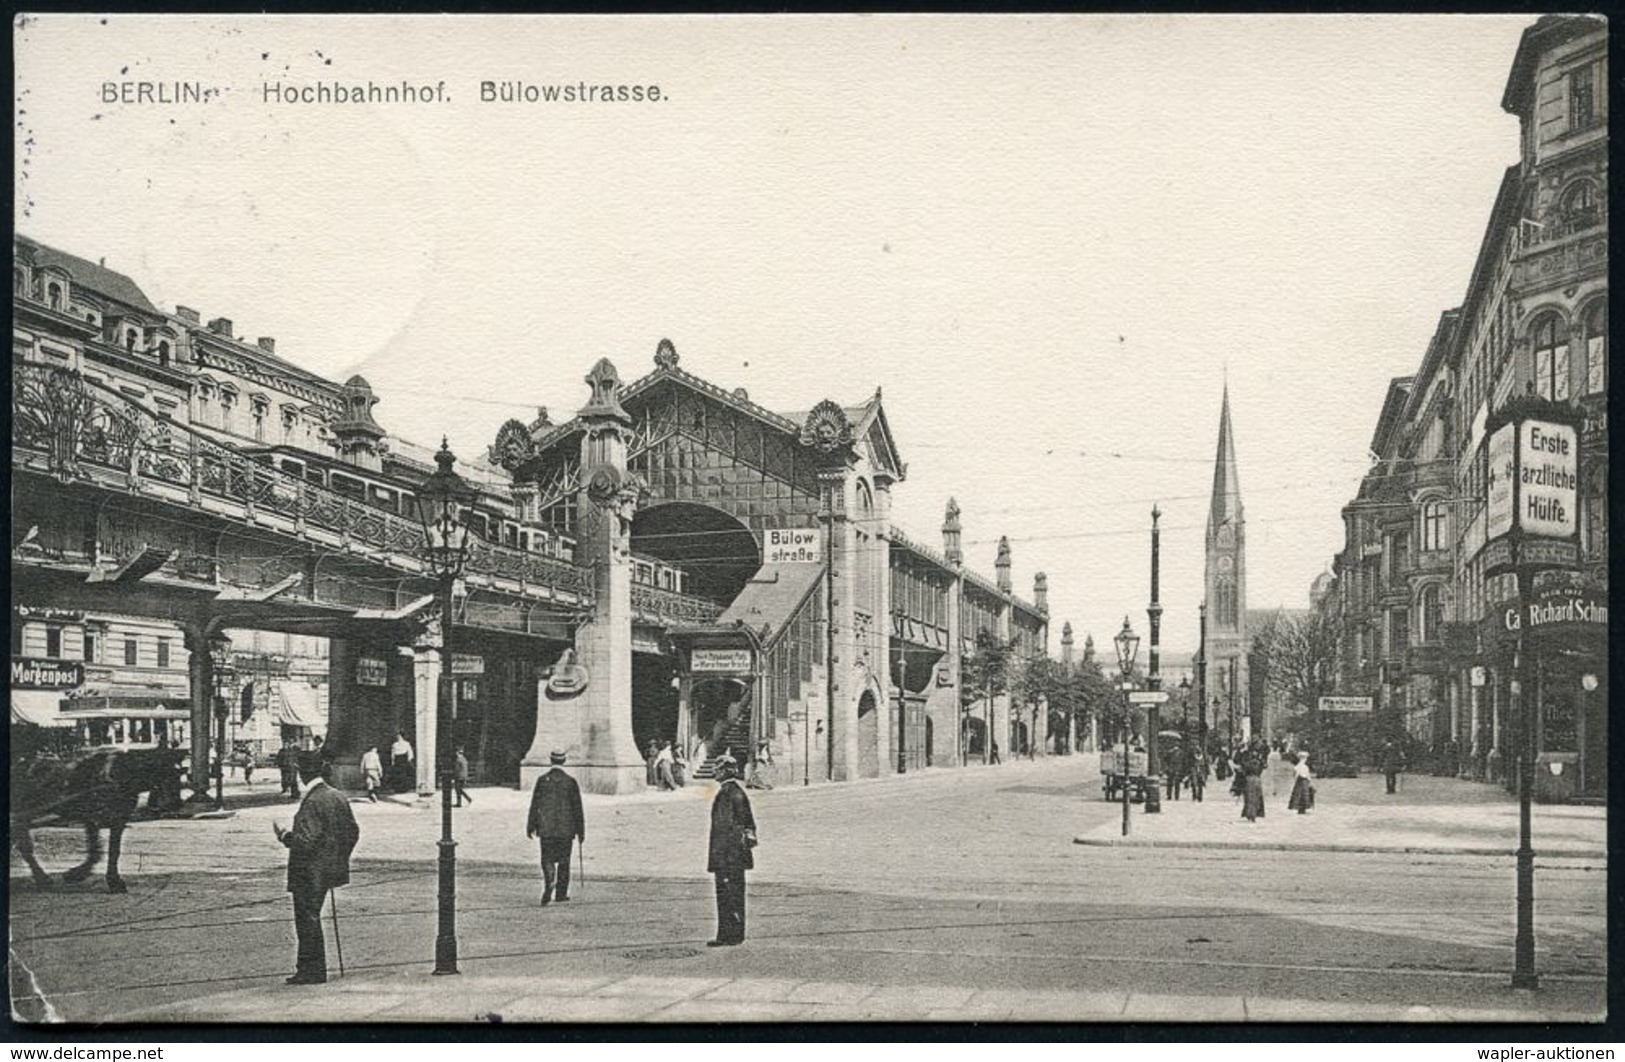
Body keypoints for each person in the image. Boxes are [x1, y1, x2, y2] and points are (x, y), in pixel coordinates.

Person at [274, 755, 360, 985]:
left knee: (307, 919)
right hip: (328, 869)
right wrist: (337, 857)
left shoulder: (313, 801)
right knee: (312, 916)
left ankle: (311, 970)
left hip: (308, 871)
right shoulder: (337, 796)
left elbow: (306, 841)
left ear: (301, 773)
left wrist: (285, 836)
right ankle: (311, 969)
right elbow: (352, 832)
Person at [707, 756, 757, 946]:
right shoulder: (738, 791)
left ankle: (727, 936)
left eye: (718, 769)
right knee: (736, 894)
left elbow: (722, 829)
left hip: (727, 856)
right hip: (738, 854)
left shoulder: (726, 794)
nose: (715, 772)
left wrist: (718, 859)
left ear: (725, 771)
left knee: (726, 895)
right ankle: (736, 934)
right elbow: (749, 823)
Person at [526, 748, 585, 905]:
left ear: (550, 760)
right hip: (566, 829)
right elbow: (577, 808)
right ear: (564, 761)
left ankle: (549, 882)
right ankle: (561, 893)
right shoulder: (570, 782)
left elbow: (534, 804)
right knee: (564, 861)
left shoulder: (542, 780)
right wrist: (581, 831)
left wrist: (530, 825)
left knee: (547, 858)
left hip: (546, 828)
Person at [1240, 741, 1267, 823]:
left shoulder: (1246, 763)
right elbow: (1262, 769)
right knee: (1256, 797)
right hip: (1257, 780)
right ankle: (1254, 813)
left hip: (1248, 780)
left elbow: (1243, 771)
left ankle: (1249, 813)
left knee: (1249, 798)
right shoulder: (1260, 762)